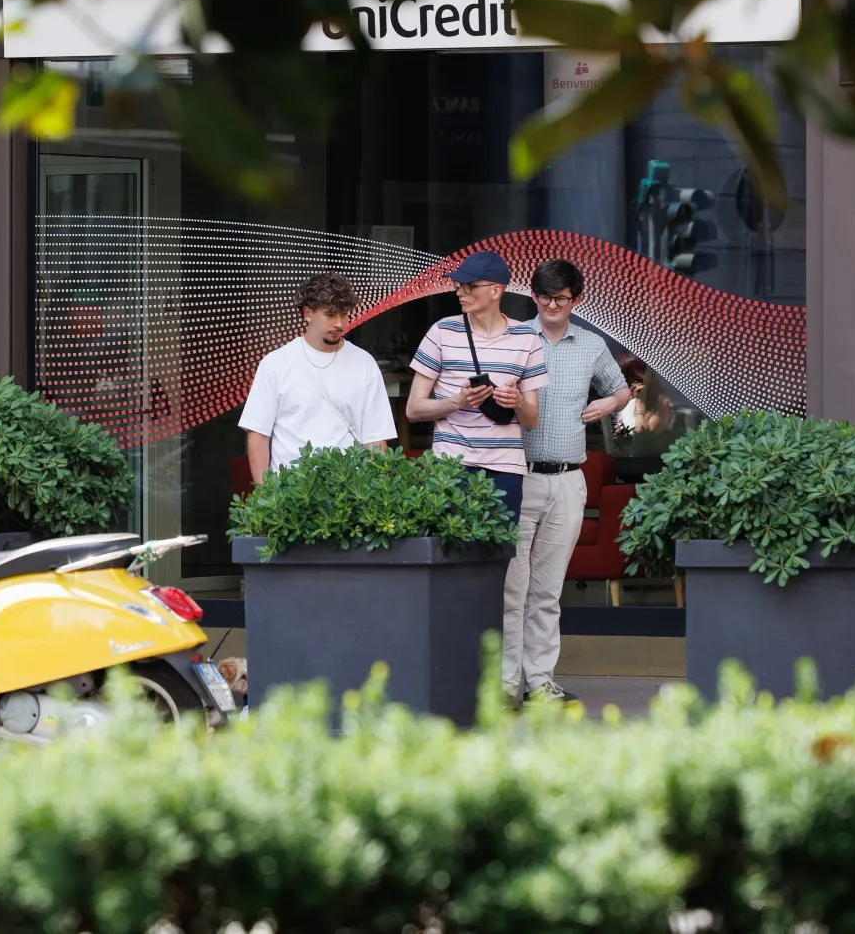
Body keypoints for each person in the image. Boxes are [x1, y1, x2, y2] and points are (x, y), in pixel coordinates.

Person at [506, 260, 631, 704]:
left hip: (567, 478)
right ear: (533, 297)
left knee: (547, 590)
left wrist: (605, 406)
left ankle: (540, 682)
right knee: (511, 588)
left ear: (576, 299)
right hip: (518, 475)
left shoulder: (592, 344)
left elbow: (622, 391)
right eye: (544, 297)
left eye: (561, 298)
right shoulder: (515, 337)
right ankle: (505, 686)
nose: (552, 305)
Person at [405, 251, 546, 524]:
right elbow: (413, 409)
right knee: (447, 555)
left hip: (505, 468)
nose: (460, 292)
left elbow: (532, 420)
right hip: (450, 467)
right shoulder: (442, 332)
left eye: (469, 286)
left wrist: (517, 401)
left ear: (496, 290)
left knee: (499, 555)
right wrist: (458, 401)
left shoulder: (526, 337)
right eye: (458, 285)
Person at [240, 272, 397, 483]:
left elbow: (375, 439)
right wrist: (266, 497)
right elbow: (258, 434)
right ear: (308, 313)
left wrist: (367, 494)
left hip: (348, 494)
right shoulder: (276, 363)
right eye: (331, 314)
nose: (340, 324)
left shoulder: (364, 363)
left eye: (344, 314)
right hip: (291, 493)